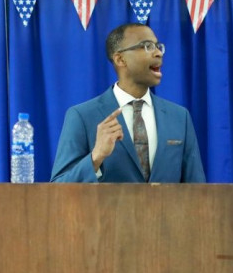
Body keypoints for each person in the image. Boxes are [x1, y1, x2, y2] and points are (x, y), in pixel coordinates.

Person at [50, 23, 206, 183]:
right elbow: (58, 187)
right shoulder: (82, 116)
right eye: (147, 46)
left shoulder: (180, 117)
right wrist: (96, 156)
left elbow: (198, 188)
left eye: (158, 46)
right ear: (120, 59)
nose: (158, 53)